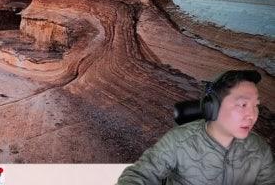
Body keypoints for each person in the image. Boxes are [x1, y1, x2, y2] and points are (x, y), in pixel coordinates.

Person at [117, 70, 274, 185]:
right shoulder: (178, 141)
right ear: (212, 107)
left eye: (256, 105)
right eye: (243, 105)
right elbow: (138, 176)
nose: (252, 115)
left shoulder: (259, 149)